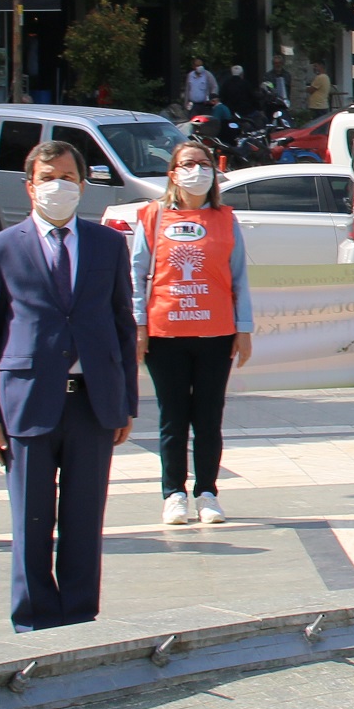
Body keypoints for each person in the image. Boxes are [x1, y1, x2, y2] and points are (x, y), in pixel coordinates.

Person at [0, 140, 136, 632]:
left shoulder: (107, 244)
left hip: (92, 403)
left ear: (82, 185)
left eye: (67, 177)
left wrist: (125, 401)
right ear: (30, 187)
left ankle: (81, 615)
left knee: (84, 521)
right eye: (48, 177)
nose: (57, 186)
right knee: (32, 521)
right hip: (26, 403)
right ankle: (34, 618)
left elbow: (122, 325)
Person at [130, 141, 255, 527]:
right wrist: (138, 325)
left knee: (208, 416)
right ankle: (173, 493)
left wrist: (244, 328)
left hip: (216, 333)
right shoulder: (153, 217)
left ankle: (207, 492)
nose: (196, 170)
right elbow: (136, 274)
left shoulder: (225, 219)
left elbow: (239, 278)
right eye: (187, 164)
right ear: (172, 173)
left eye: (203, 164)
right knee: (173, 417)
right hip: (165, 333)